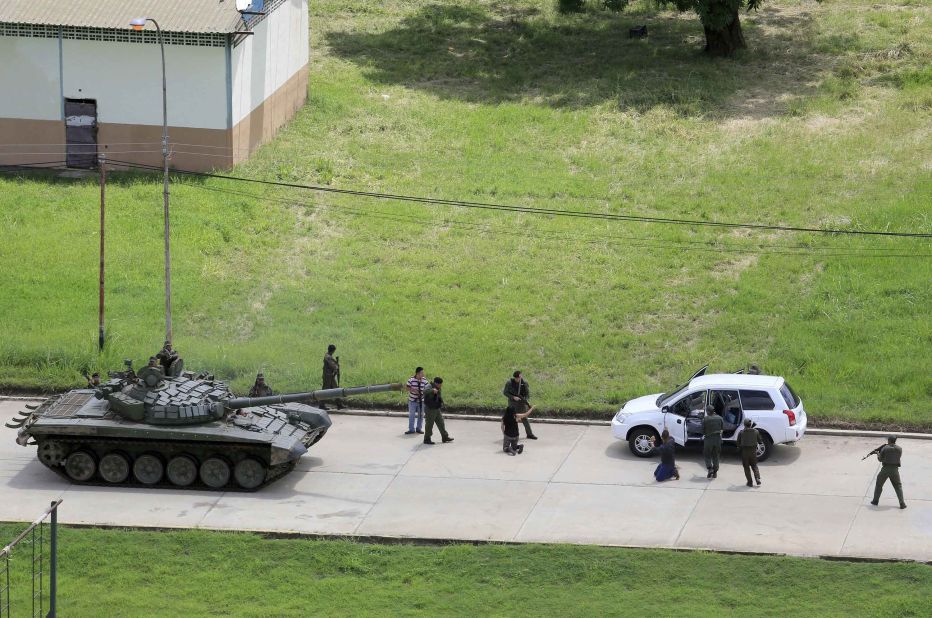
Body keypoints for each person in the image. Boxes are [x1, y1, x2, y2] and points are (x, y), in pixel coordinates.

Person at [871, 436, 906, 509]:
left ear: (889, 440)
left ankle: (875, 500)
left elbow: (880, 459)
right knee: (898, 486)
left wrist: (877, 453)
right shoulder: (900, 449)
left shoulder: (885, 448)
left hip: (885, 469)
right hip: (895, 470)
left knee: (879, 485)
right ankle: (902, 503)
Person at [503, 371, 536, 440]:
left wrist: (526, 400)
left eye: (519, 378)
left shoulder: (525, 383)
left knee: (524, 418)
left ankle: (529, 434)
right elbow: (505, 392)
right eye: (517, 378)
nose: (518, 379)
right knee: (511, 419)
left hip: (522, 403)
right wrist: (513, 397)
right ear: (514, 377)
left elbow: (527, 394)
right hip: (512, 404)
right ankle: (510, 434)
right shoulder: (509, 383)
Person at [422, 377, 453, 445]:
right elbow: (424, 391)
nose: (441, 386)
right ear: (436, 383)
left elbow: (438, 396)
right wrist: (432, 390)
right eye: (440, 384)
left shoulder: (438, 388)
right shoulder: (429, 386)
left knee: (441, 423)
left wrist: (442, 402)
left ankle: (445, 437)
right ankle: (427, 439)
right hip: (430, 409)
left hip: (436, 409)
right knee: (429, 425)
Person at [738, 418, 761, 487]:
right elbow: (760, 441)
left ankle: (750, 482)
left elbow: (738, 443)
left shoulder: (741, 432)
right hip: (753, 452)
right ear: (750, 424)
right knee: (754, 465)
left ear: (744, 425)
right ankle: (757, 478)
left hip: (745, 452)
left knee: (746, 468)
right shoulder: (756, 431)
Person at [405, 367, 429, 435]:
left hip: (421, 401)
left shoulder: (424, 380)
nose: (423, 374)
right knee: (411, 415)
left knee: (421, 415)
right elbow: (406, 387)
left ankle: (419, 429)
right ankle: (411, 429)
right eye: (422, 373)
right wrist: (414, 390)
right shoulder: (411, 379)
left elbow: (428, 388)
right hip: (412, 401)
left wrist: (424, 392)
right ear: (418, 373)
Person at [702, 404, 724, 479]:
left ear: (708, 411)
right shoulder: (720, 418)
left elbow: (702, 431)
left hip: (708, 439)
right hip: (717, 439)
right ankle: (715, 472)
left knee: (707, 455)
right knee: (716, 456)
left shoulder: (705, 419)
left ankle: (710, 468)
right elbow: (722, 428)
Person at [321, 344, 343, 410]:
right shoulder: (328, 357)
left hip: (330, 376)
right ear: (333, 351)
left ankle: (339, 404)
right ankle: (321, 405)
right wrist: (337, 366)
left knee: (336, 389)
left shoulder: (328, 356)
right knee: (325, 391)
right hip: (328, 377)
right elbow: (333, 365)